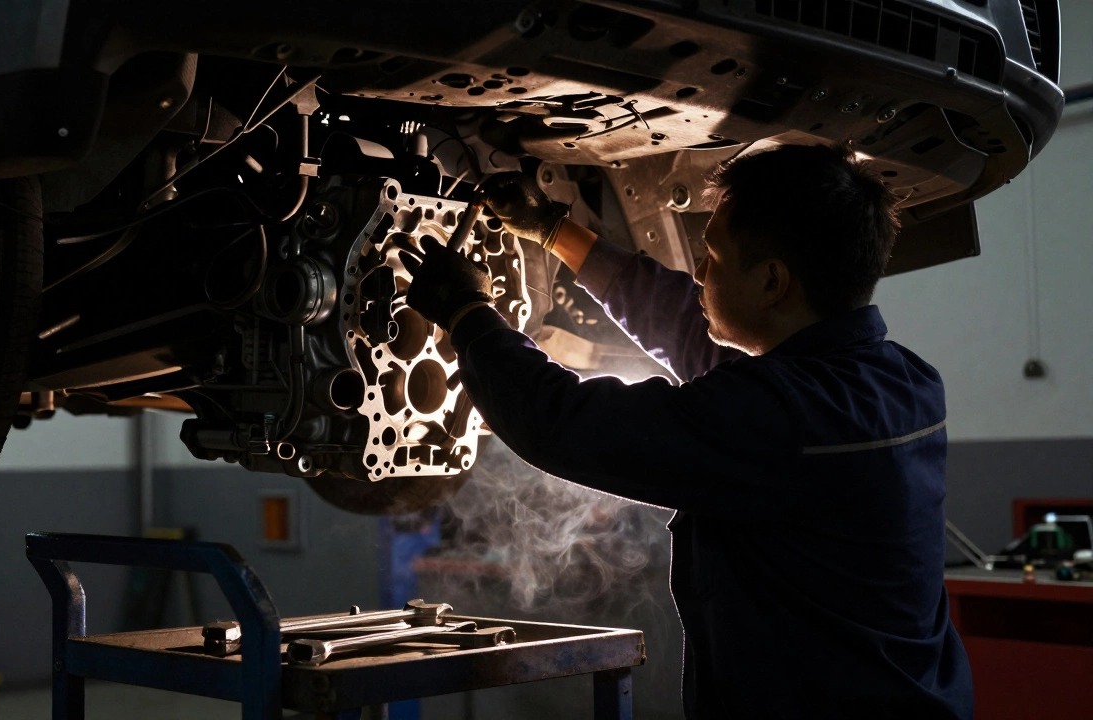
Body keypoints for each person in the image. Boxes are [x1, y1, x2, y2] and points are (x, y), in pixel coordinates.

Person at [399, 144, 974, 719]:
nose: (698, 272)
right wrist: (551, 228)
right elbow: (677, 317)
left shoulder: (780, 419)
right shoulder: (903, 380)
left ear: (773, 281)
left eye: (713, 258)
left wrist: (468, 312)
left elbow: (566, 423)